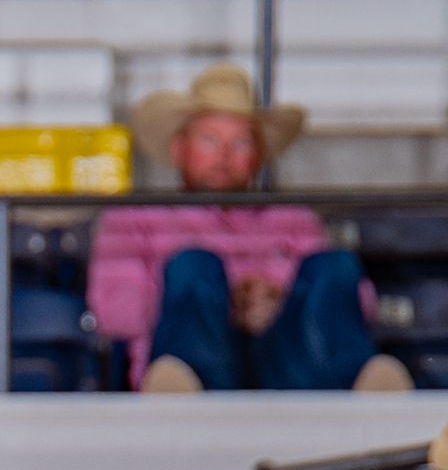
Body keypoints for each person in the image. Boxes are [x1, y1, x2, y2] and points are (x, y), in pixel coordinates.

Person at [90, 63, 411, 394]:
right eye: (209, 140)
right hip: (202, 373)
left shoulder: (294, 219)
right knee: (193, 267)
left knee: (335, 264)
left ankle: (363, 385)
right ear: (179, 148)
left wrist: (280, 300)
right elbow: (113, 312)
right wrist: (220, 301)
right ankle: (182, 384)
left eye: (240, 143)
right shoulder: (133, 217)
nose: (224, 157)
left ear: (258, 155)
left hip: (294, 372)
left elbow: (361, 302)